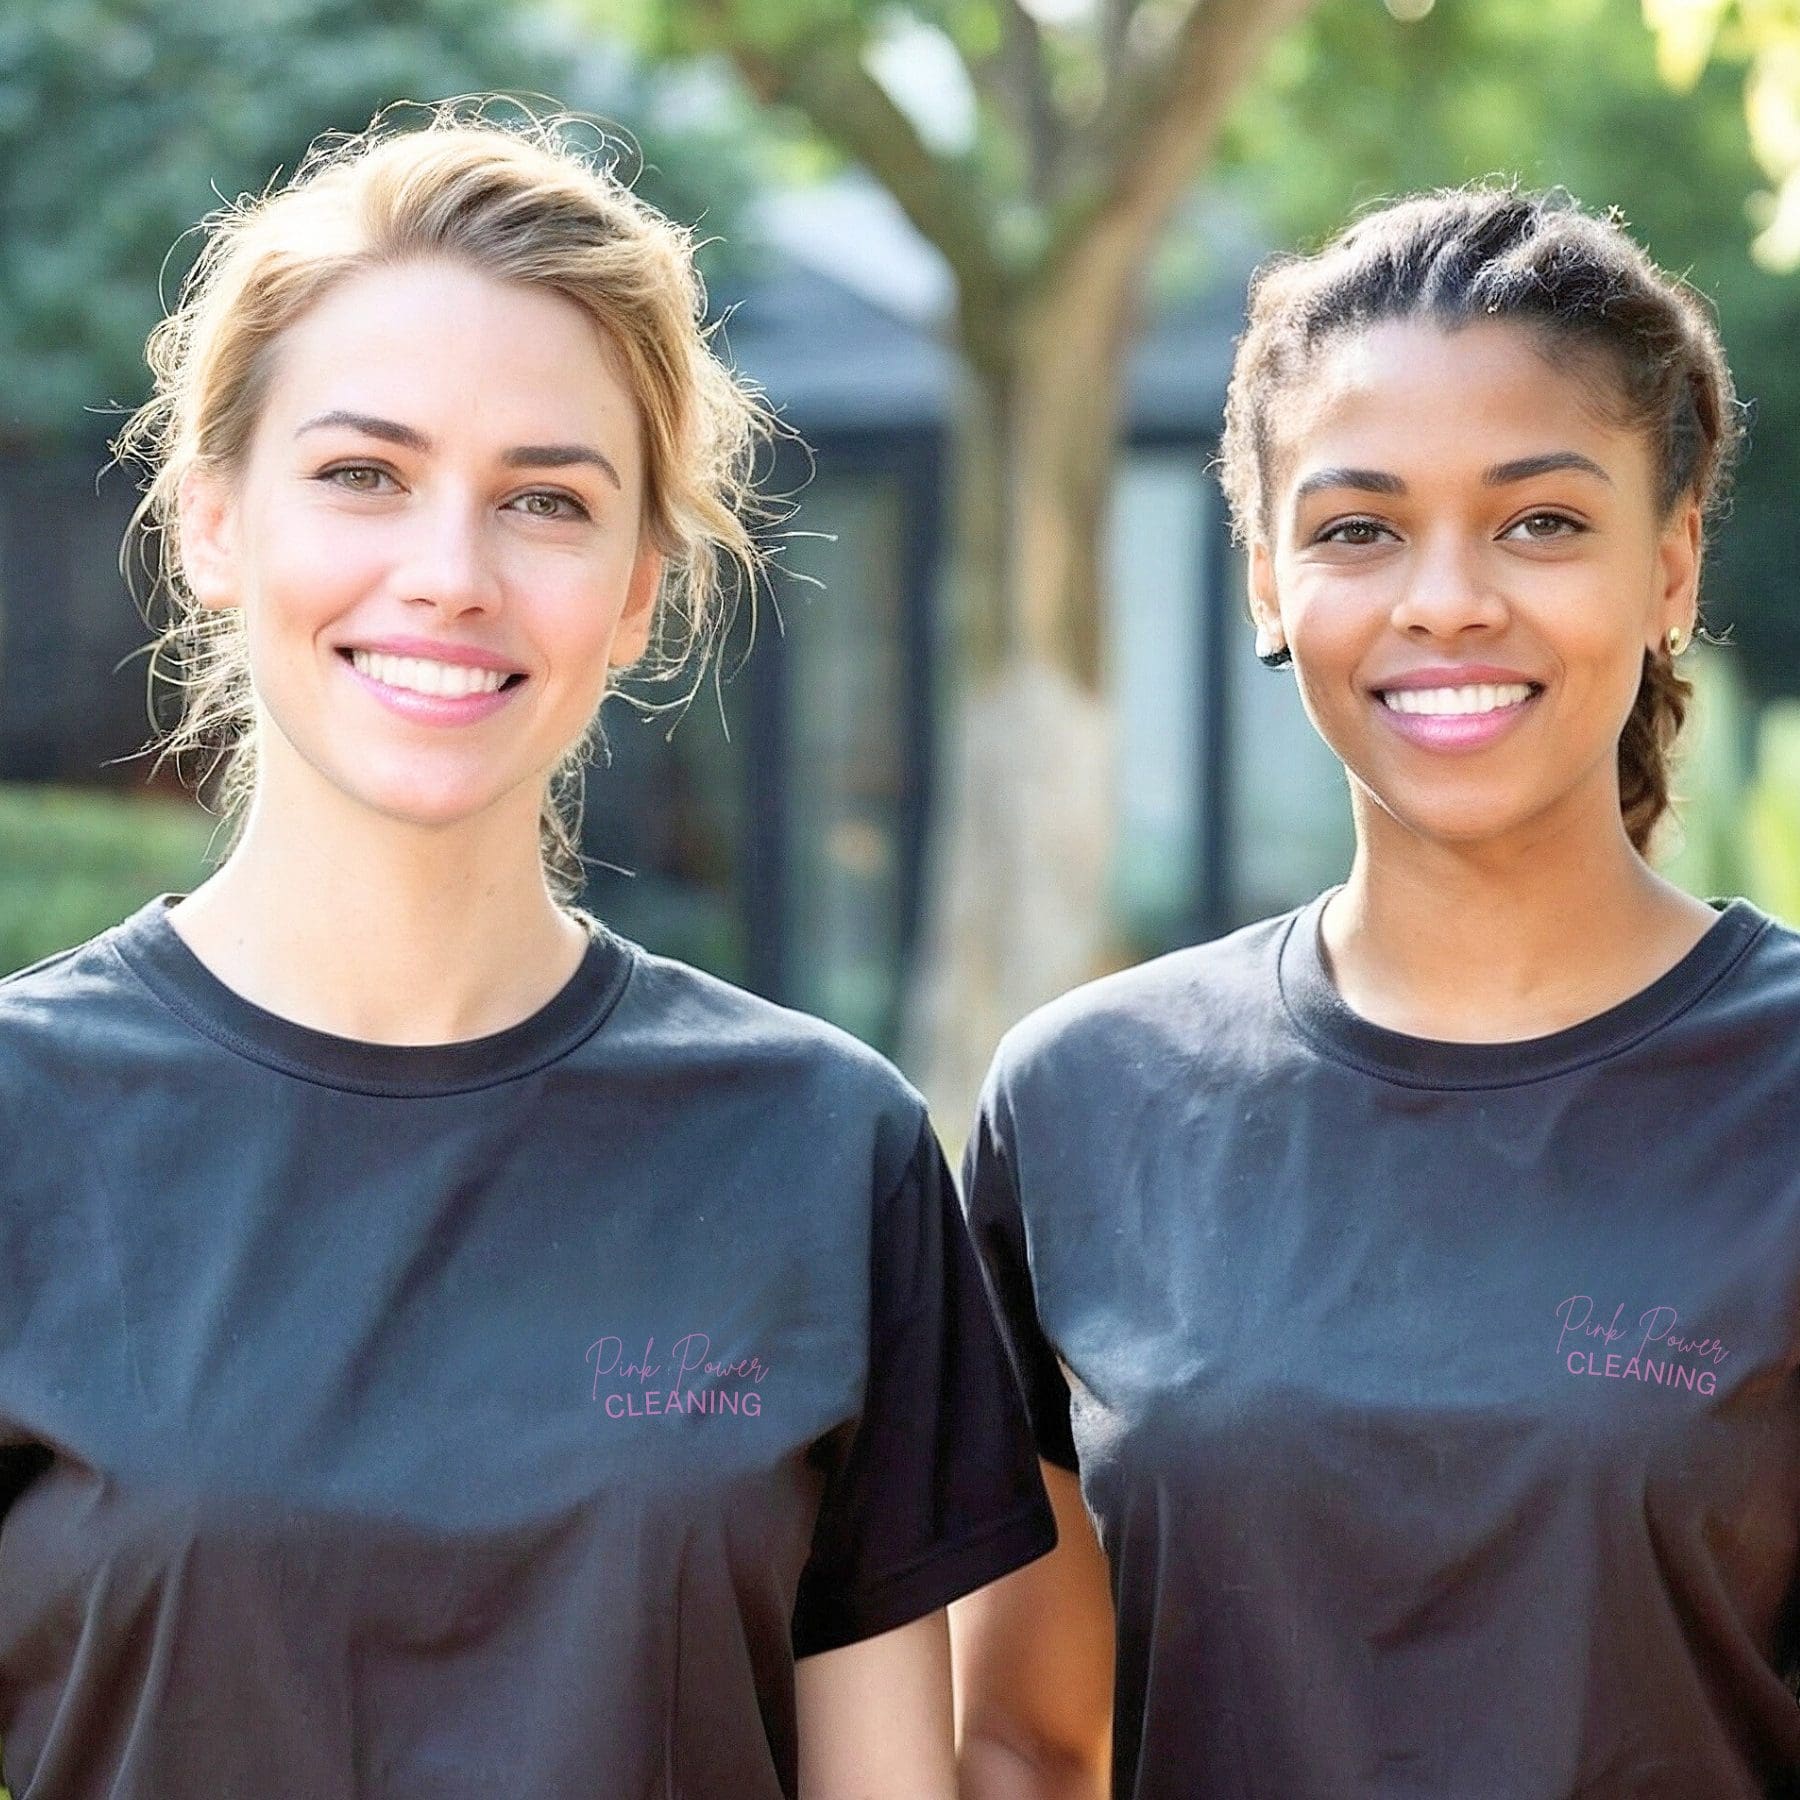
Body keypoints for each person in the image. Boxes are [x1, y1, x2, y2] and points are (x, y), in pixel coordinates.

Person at [0, 104, 1053, 1800]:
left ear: (641, 586)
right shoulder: (22, 1125)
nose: (449, 573)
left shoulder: (816, 1149)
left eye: (545, 501)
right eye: (362, 474)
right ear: (212, 524)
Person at [952, 185, 1800, 1799]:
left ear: (1673, 565)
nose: (1445, 600)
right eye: (1358, 528)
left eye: (1541, 520)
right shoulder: (1084, 1102)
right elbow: (1023, 1742)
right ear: (1270, 584)